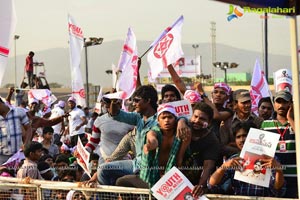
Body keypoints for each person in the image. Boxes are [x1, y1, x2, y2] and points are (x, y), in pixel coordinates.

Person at [116, 103, 190, 188]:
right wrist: (150, 145)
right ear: (158, 120)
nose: (166, 120)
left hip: (175, 178)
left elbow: (179, 160)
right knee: (121, 181)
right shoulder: (154, 131)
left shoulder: (183, 133)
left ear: (175, 119)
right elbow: (152, 138)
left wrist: (169, 178)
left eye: (170, 117)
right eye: (163, 118)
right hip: (152, 177)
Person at [208, 122, 286, 197]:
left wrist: (279, 171)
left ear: (255, 137)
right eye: (238, 137)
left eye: (245, 135)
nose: (242, 140)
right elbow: (212, 185)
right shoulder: (233, 160)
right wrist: (223, 167)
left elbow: (278, 191)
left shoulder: (270, 160)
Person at [260, 90, 296, 198]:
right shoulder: (265, 124)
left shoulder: (296, 123)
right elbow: (260, 150)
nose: (281, 105)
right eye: (278, 102)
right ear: (274, 104)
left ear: (291, 104)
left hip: (295, 178)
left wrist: (291, 119)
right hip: (274, 179)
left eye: (285, 102)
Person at [181, 102, 220, 197]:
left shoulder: (212, 140)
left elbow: (208, 166)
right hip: (177, 179)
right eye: (195, 116)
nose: (197, 121)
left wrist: (200, 185)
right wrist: (180, 121)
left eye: (202, 119)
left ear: (209, 122)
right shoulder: (183, 128)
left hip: (195, 184)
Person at [84, 94, 134, 164]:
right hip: (104, 162)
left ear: (120, 104)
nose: (111, 105)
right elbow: (93, 142)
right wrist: (84, 151)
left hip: (124, 163)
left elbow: (135, 143)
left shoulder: (130, 120)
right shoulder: (99, 121)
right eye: (109, 103)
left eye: (114, 101)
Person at [0, 97, 32, 165]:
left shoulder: (18, 112)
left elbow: (29, 128)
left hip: (17, 155)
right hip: (1, 156)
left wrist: (26, 143)